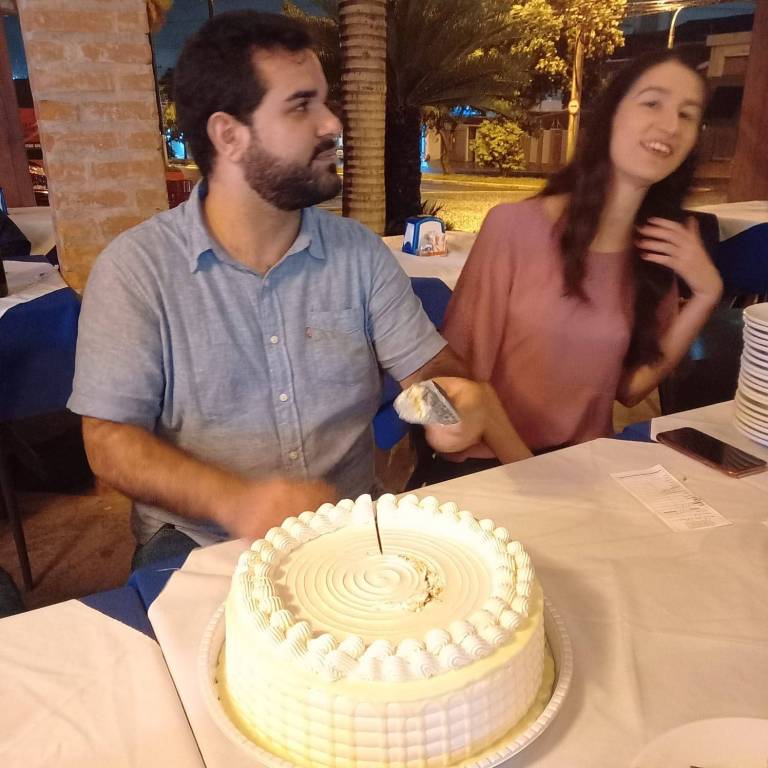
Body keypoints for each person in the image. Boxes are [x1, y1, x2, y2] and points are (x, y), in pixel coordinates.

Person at [67, 11, 525, 567]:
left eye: (325, 102)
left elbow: (430, 371)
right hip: (198, 539)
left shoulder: (357, 253)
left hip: (348, 521)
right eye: (301, 106)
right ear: (229, 135)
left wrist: (450, 402)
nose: (332, 123)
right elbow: (109, 442)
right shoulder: (137, 270)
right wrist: (238, 501)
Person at [424, 47, 723, 480]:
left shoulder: (658, 249)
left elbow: (630, 389)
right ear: (611, 115)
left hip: (583, 467)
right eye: (652, 103)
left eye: (687, 114)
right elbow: (459, 379)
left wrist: (706, 295)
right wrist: (535, 475)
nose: (670, 125)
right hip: (487, 469)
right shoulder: (515, 227)